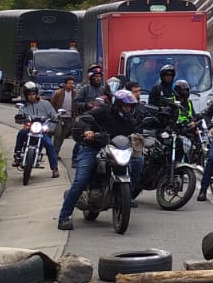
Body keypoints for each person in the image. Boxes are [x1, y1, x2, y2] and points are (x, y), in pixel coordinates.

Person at [56, 89, 145, 229]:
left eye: (130, 106)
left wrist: (145, 135)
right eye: (125, 106)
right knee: (81, 180)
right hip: (92, 147)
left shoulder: (130, 120)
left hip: (117, 150)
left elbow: (138, 130)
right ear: (117, 105)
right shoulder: (103, 111)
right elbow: (85, 117)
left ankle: (126, 194)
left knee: (138, 161)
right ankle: (64, 217)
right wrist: (88, 130)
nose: (128, 109)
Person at [11, 81, 61, 177]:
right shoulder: (24, 106)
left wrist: (49, 128)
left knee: (50, 145)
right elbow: (19, 117)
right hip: (30, 129)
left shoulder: (45, 104)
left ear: (36, 94)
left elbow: (54, 116)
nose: (31, 96)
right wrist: (21, 120)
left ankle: (55, 169)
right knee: (21, 133)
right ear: (26, 95)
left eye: (33, 94)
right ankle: (17, 156)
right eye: (29, 94)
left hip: (42, 130)